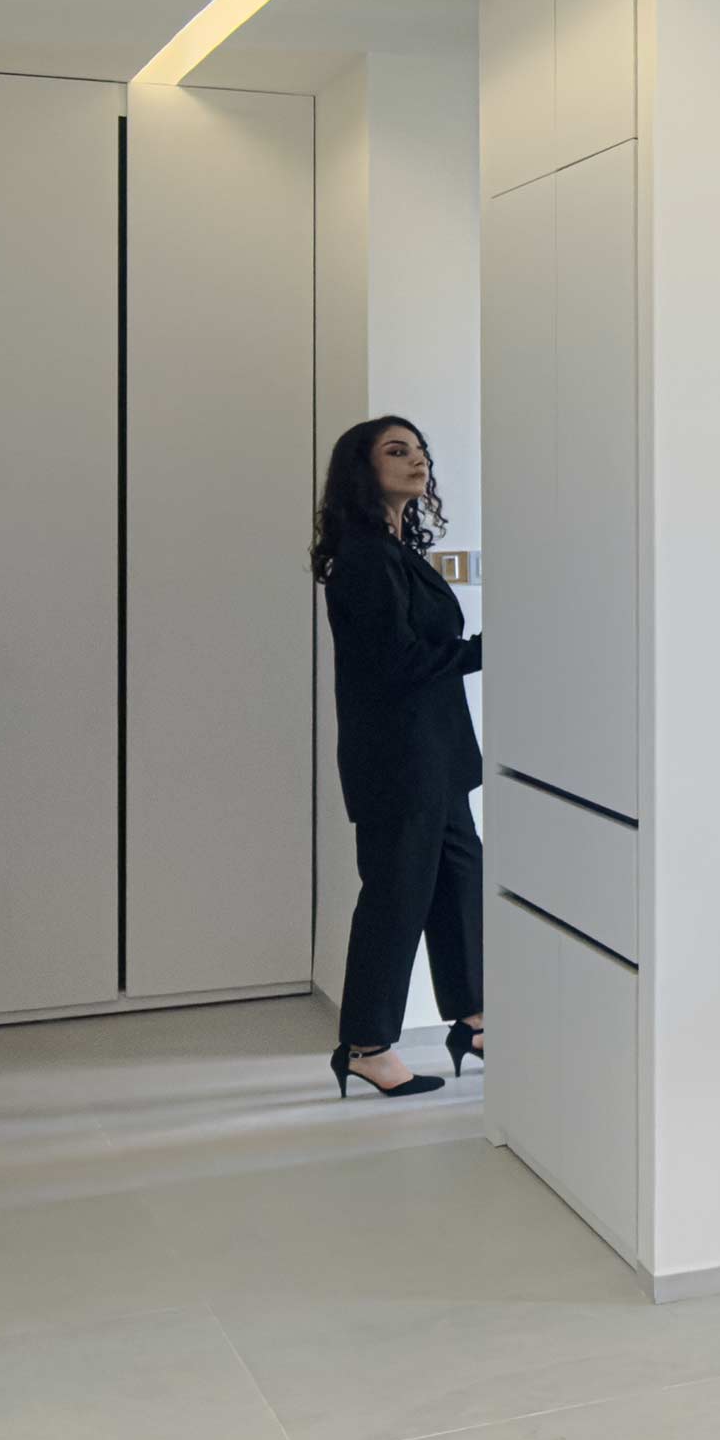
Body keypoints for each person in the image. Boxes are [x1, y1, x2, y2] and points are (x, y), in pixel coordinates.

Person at [312, 417, 484, 1098]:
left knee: (459, 882)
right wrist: (487, 649)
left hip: (436, 756)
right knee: (397, 895)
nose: (416, 461)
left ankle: (473, 1018)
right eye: (396, 450)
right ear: (362, 467)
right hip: (399, 760)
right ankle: (365, 1044)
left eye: (420, 451)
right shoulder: (362, 557)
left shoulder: (397, 549)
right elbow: (398, 663)